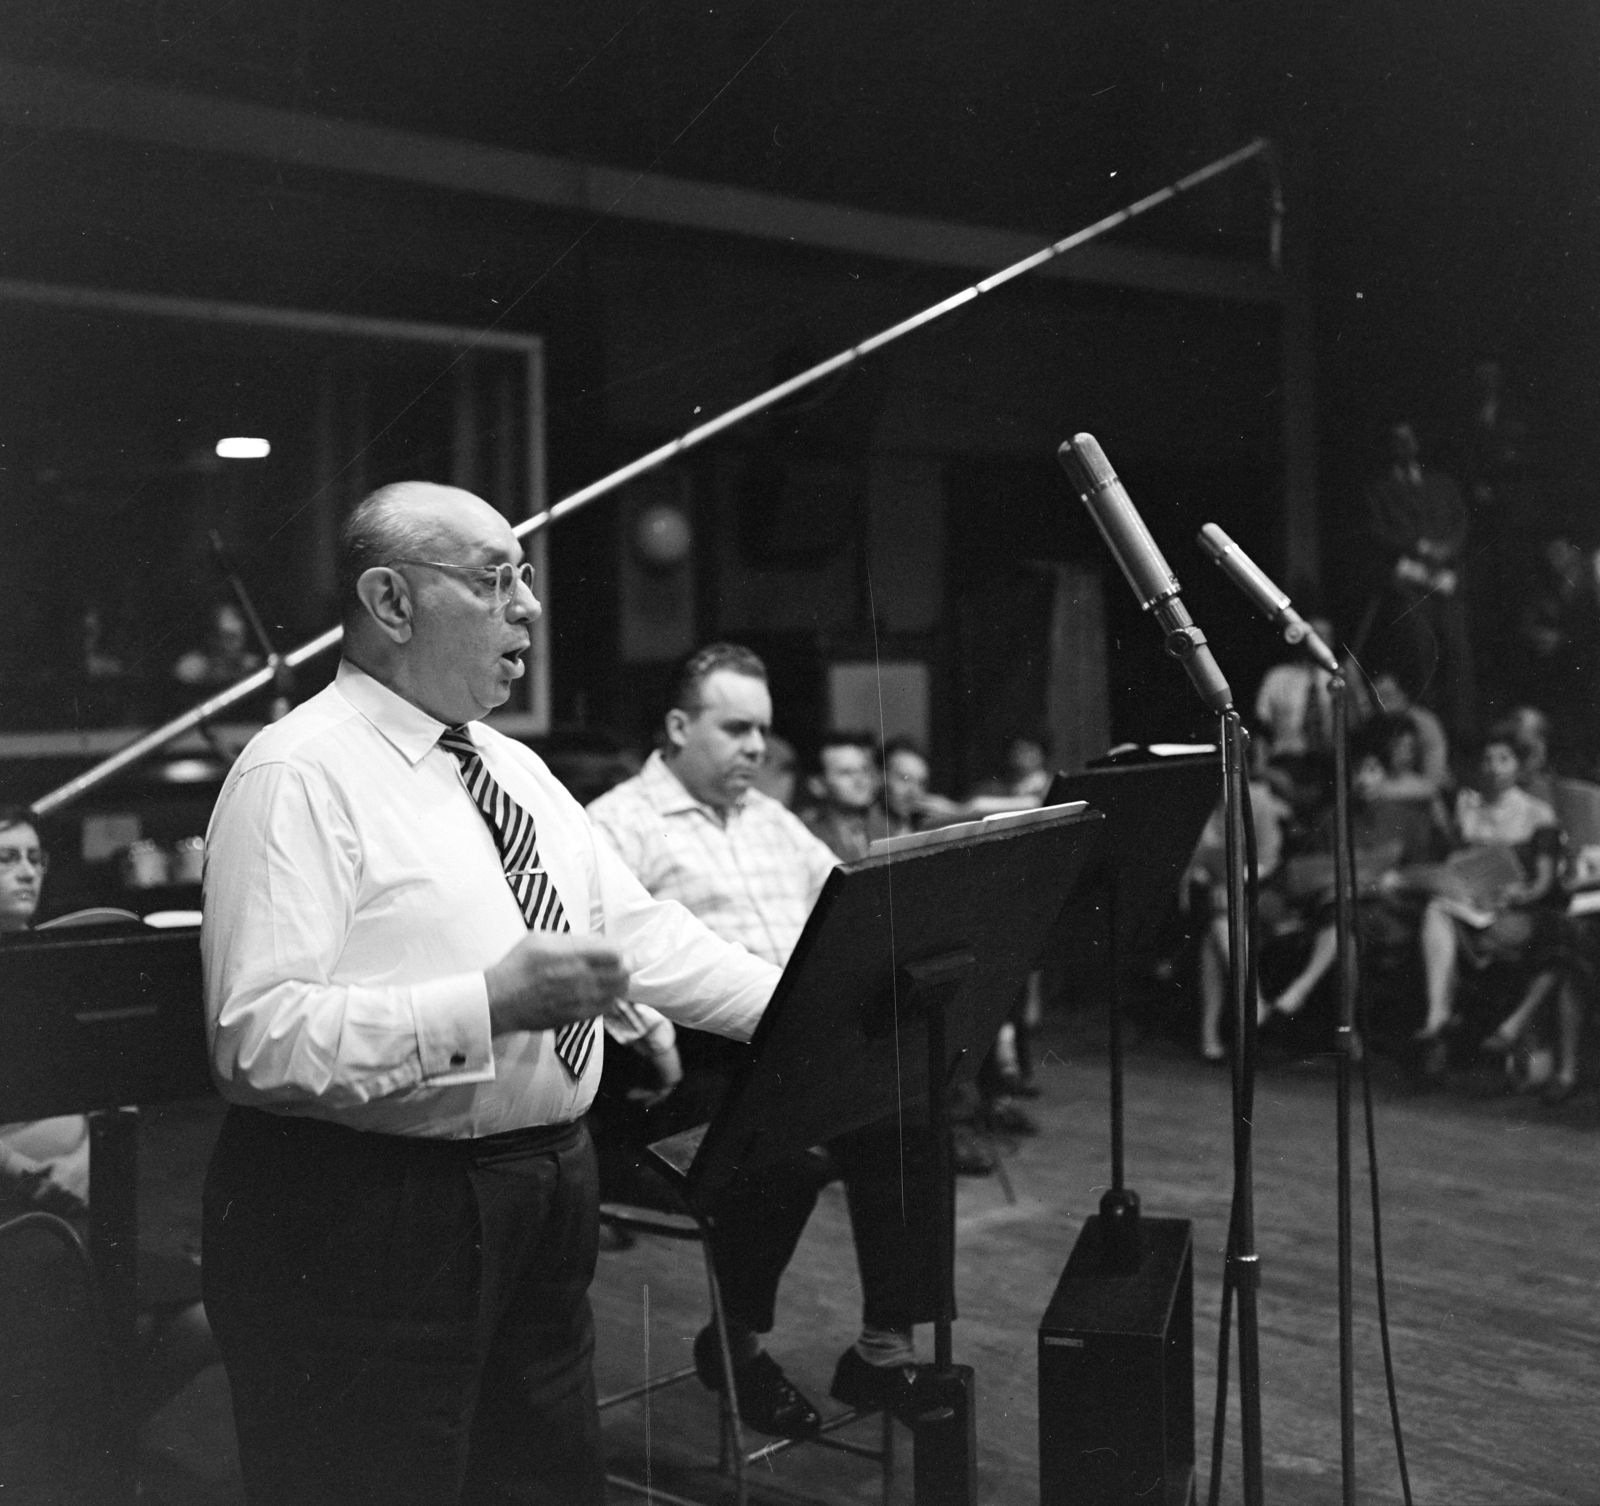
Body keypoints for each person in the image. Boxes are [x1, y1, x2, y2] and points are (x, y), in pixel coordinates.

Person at [199, 484, 781, 1506]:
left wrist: (803, 1004)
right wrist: (487, 1005)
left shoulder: (513, 769)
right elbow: (256, 1039)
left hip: (545, 1188)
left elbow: (639, 936)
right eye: (492, 578)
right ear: (390, 601)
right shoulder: (297, 772)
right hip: (373, 1213)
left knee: (543, 1482)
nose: (529, 606)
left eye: (525, 578)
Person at [587, 644, 942, 1439]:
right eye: (737, 727)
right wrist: (649, 1035)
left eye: (764, 730)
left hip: (800, 1049)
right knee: (784, 1154)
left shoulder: (773, 820)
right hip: (686, 1069)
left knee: (914, 1110)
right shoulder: (615, 825)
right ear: (679, 726)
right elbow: (597, 961)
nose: (758, 747)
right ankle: (737, 1347)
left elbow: (852, 918)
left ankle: (882, 1352)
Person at [0, 807, 218, 1422]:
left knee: (213, 1314)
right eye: (6, 858)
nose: (25, 872)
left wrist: (84, 1162)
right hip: (19, 1220)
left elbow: (107, 1084)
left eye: (33, 858)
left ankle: (100, 1440)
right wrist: (17, 1167)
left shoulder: (61, 964)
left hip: (80, 1205)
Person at [1414, 724, 1562, 1075]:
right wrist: (1458, 825)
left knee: (1452, 922)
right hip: (1472, 904)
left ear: (1519, 767)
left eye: (1504, 759)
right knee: (1437, 909)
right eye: (1488, 759)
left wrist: (1518, 893)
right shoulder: (1469, 807)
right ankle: (1437, 1016)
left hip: (1518, 907)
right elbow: (1453, 865)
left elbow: (1543, 881)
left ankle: (1445, 1023)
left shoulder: (1537, 813)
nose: (1495, 767)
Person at [1360, 421, 1476, 744]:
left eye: (1409, 439)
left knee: (1456, 650)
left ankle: (1461, 732)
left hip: (1444, 578)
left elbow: (1460, 522)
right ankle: (1427, 728)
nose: (1405, 446)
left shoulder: (1442, 485)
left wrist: (1445, 549)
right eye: (1397, 440)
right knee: (1421, 652)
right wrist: (1418, 546)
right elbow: (1378, 532)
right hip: (1408, 581)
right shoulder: (1380, 491)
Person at [801, 731, 890, 861]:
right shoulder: (806, 836)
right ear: (818, 785)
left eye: (865, 769)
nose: (861, 780)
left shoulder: (888, 829)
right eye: (846, 773)